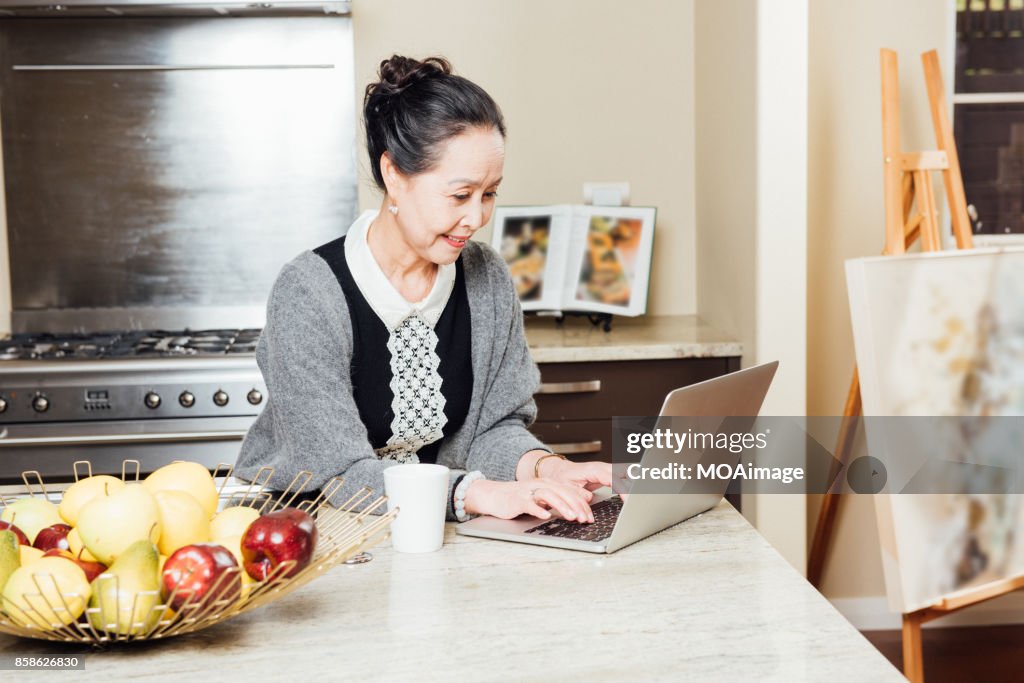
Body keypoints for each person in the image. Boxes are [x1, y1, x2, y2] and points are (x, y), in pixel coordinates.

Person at [235, 55, 612, 523]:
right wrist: (477, 495)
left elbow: (492, 429)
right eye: (459, 195)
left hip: (429, 528)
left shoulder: (486, 278)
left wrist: (547, 467)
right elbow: (338, 471)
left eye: (490, 193)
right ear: (394, 175)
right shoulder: (309, 293)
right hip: (306, 529)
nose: (476, 218)